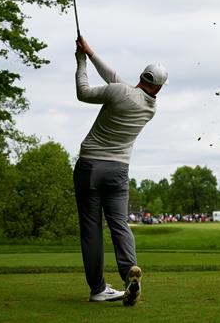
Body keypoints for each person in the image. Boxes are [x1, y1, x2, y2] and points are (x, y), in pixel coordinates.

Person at [73, 36, 168, 306]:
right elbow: (116, 79)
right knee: (120, 224)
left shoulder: (119, 92)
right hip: (118, 171)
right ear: (159, 87)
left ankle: (98, 289)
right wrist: (90, 52)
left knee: (91, 230)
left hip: (89, 166)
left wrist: (81, 62)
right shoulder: (150, 107)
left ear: (141, 76)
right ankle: (129, 272)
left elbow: (83, 92)